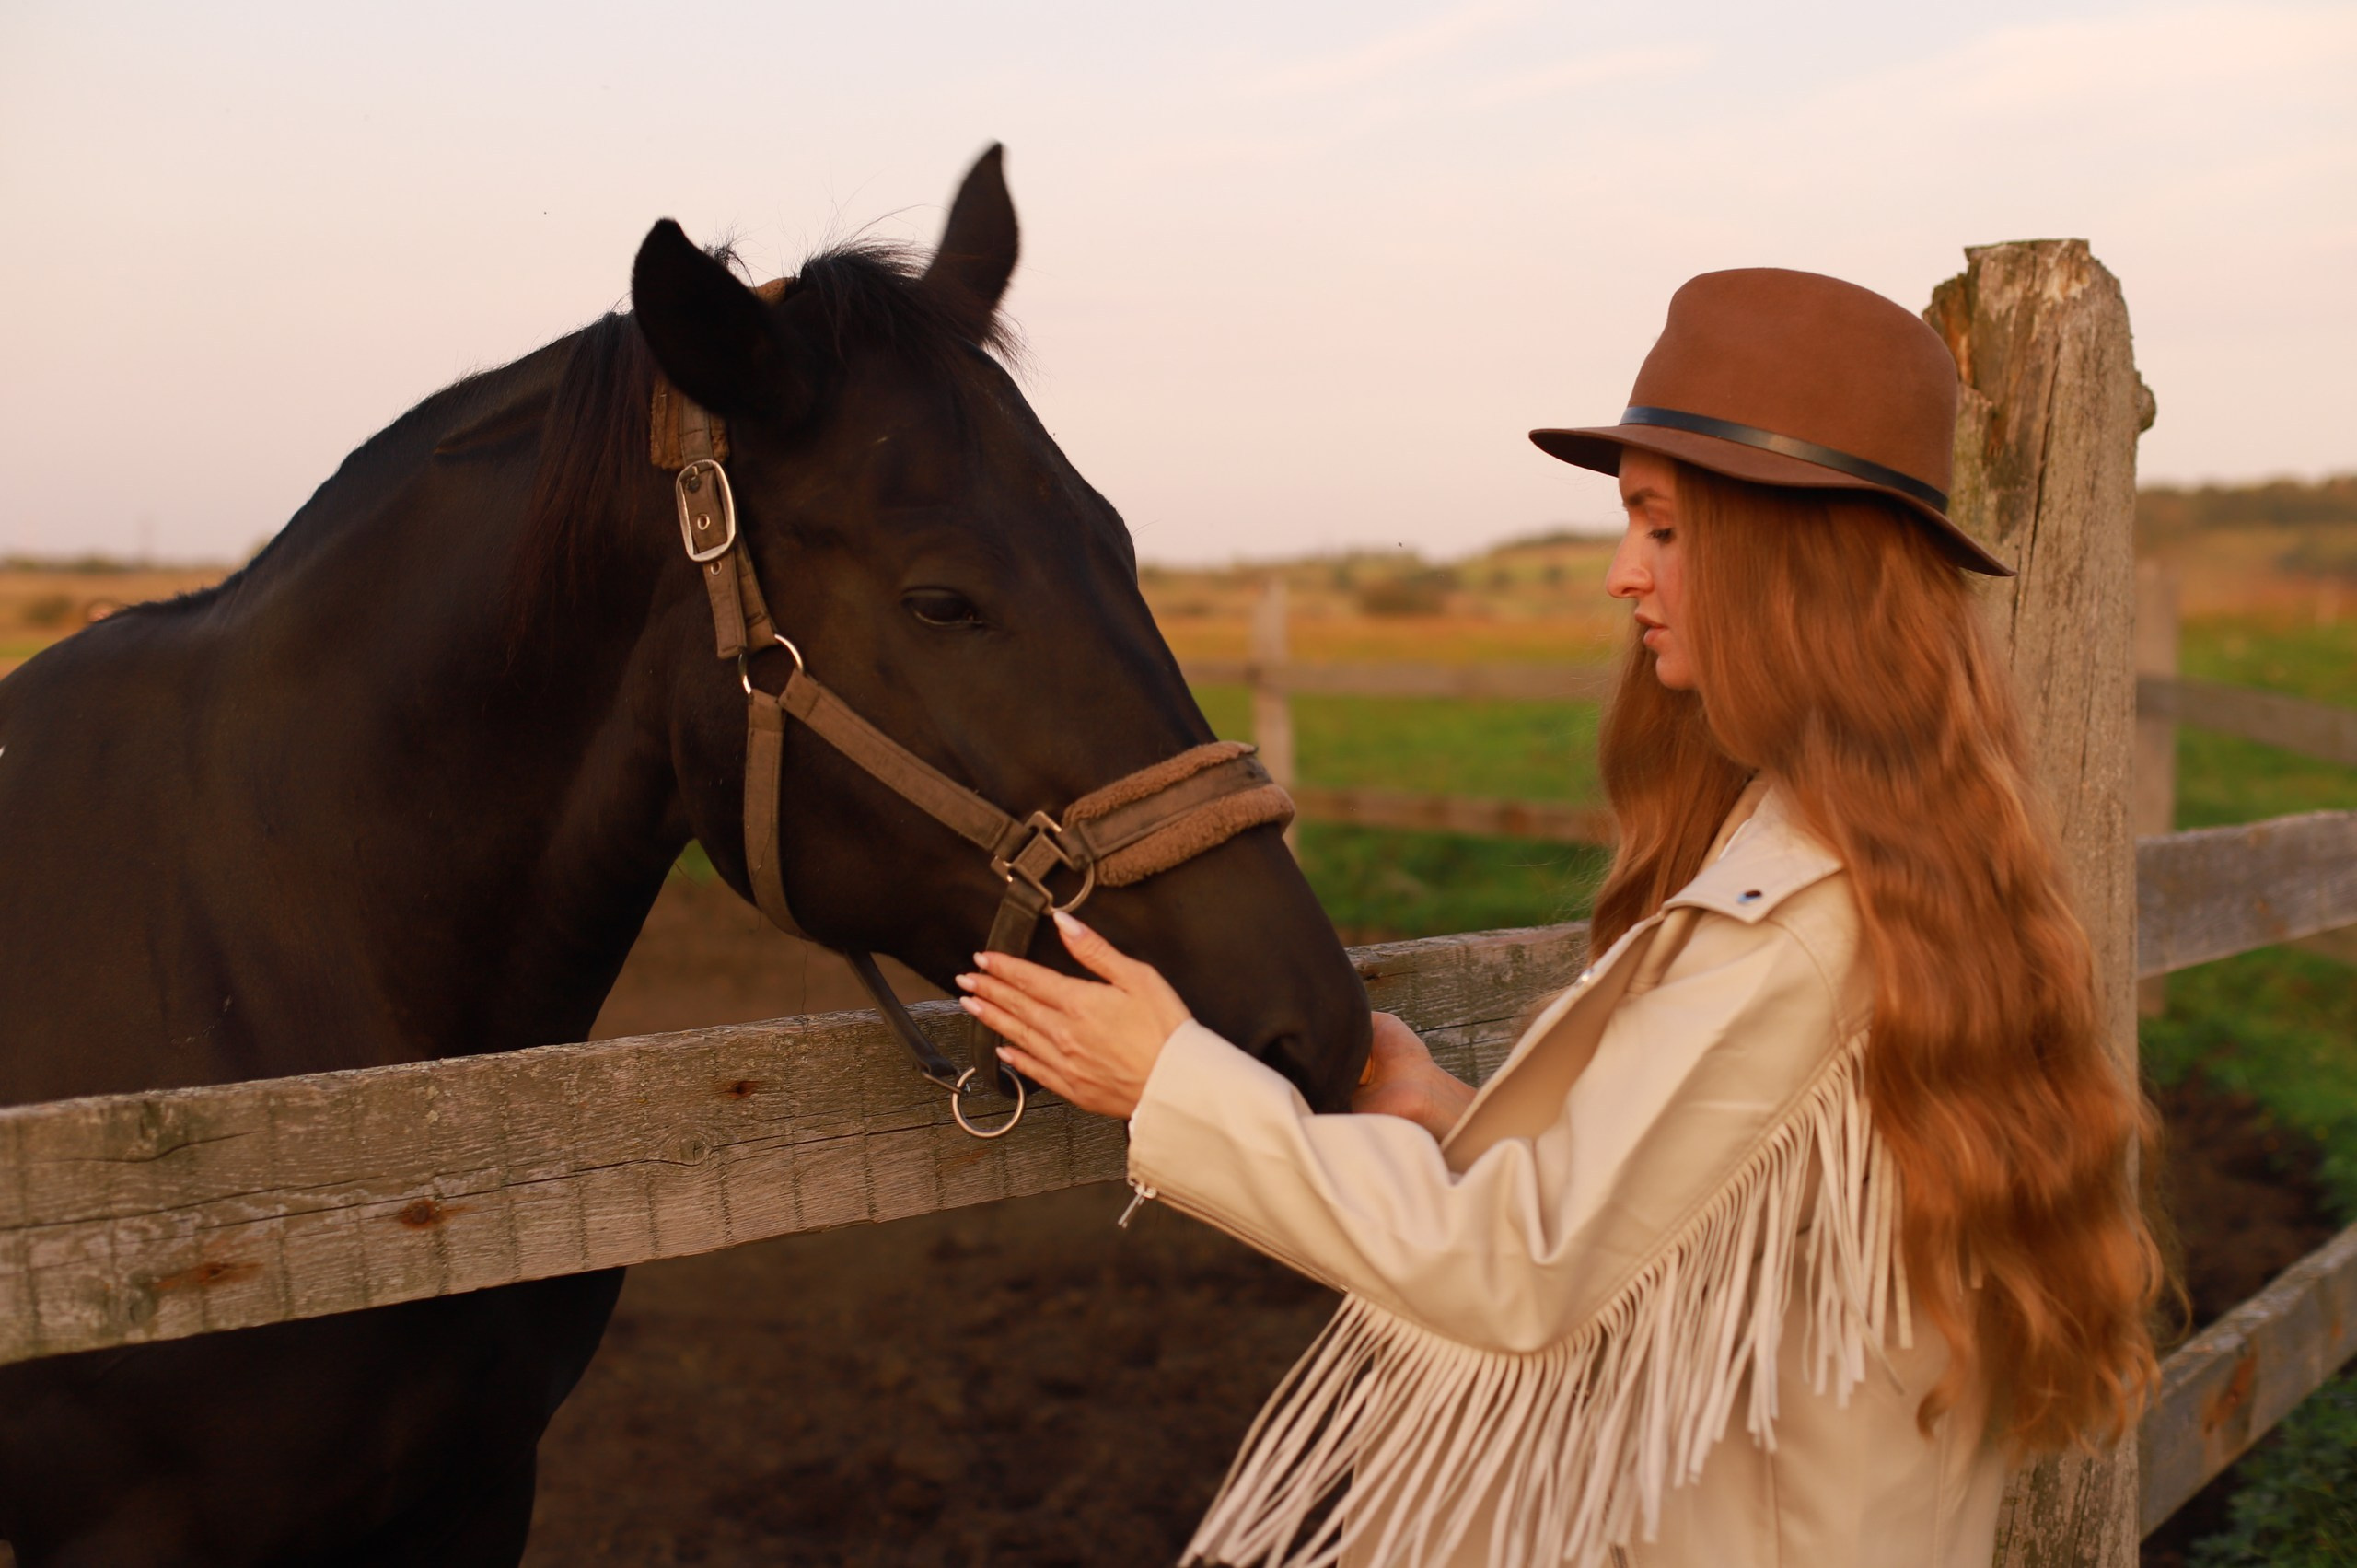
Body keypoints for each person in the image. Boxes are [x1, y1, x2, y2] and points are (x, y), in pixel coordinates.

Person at [955, 269, 2161, 1568]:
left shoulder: (1804, 920)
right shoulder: (1896, 869)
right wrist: (1446, 1114)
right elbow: (1679, 1208)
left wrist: (1169, 1084)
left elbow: (1523, 1276)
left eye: (1661, 529)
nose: (1618, 575)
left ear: (1785, 555)